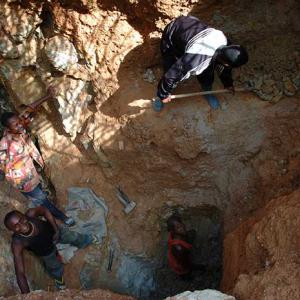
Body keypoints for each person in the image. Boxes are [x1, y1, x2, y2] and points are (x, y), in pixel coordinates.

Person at [154, 15, 248, 111]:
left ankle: (207, 91)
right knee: (169, 67)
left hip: (190, 26)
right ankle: (159, 96)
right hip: (173, 34)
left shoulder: (227, 44)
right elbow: (171, 75)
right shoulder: (195, 59)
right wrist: (163, 94)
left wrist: (227, 84)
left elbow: (224, 68)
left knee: (207, 71)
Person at [4, 206, 97, 293]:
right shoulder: (18, 243)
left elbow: (45, 210)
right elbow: (20, 272)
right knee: (55, 267)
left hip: (55, 234)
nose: (22, 225)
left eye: (22, 219)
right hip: (45, 252)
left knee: (74, 237)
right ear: (12, 230)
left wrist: (56, 229)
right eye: (16, 226)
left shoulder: (31, 214)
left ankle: (87, 240)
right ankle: (59, 281)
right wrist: (27, 295)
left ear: (24, 215)